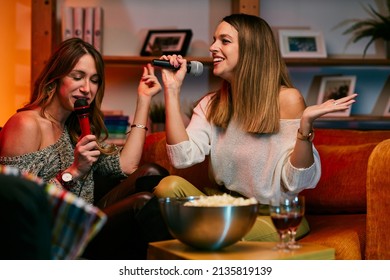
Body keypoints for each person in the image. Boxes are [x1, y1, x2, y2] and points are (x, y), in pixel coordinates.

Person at [153, 14, 357, 242]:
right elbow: (182, 158)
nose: (213, 47)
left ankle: (206, 234)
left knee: (221, 233)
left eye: (224, 41)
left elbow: (296, 182)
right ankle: (207, 232)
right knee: (168, 187)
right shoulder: (211, 104)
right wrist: (171, 89)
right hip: (224, 206)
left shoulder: (287, 100)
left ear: (252, 49)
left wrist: (305, 127)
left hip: (272, 216)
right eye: (214, 40)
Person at [0, 38, 171, 259]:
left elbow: (126, 166)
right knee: (143, 205)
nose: (86, 88)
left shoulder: (73, 126)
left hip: (83, 221)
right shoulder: (26, 124)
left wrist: (144, 99)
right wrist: (73, 172)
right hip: (54, 234)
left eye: (94, 80)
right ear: (56, 78)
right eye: (77, 77)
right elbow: (15, 207)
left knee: (152, 173)